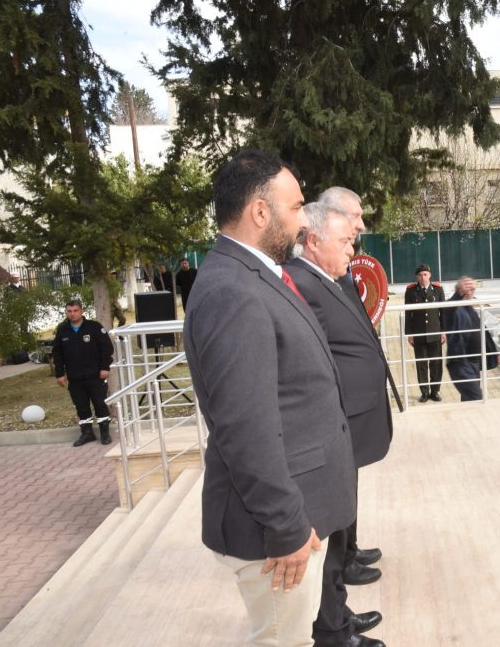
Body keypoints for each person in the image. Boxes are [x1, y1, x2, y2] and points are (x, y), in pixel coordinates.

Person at [183, 149, 357, 647]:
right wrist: (285, 526)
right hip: (275, 532)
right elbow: (244, 427)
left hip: (293, 514)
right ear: (261, 212)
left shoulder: (252, 273)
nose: (305, 221)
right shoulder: (232, 291)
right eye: (297, 206)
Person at [287, 202, 390, 647]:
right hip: (331, 427)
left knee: (336, 534)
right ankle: (332, 632)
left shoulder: (323, 278)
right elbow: (313, 363)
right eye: (345, 239)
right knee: (328, 539)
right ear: (313, 240)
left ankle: (337, 617)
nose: (353, 245)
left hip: (342, 423)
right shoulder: (304, 284)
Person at [312, 187, 392, 587]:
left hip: (355, 406)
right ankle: (342, 562)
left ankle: (351, 550)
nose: (361, 225)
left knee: (350, 483)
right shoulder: (314, 278)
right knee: (341, 487)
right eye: (355, 218)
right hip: (342, 407)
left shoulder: (339, 270)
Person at [52, 300, 114, 447]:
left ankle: (104, 433)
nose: (73, 314)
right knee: (81, 406)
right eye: (69, 311)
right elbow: (57, 353)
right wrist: (59, 374)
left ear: (82, 311)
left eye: (75, 310)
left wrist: (105, 367)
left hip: (95, 376)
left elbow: (106, 348)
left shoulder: (94, 327)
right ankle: (87, 433)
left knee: (100, 404)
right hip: (75, 378)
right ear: (66, 312)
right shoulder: (62, 330)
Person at [443, 277, 498, 402]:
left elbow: (482, 331)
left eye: (472, 289)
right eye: (467, 289)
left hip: (474, 363)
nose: (470, 292)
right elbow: (448, 309)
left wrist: (494, 352)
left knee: (468, 400)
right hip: (461, 364)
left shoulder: (470, 308)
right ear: (460, 291)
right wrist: (458, 294)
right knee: (477, 398)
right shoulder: (453, 308)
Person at [404, 264, 446, 402]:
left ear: (430, 275)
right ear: (417, 277)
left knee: (436, 363)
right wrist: (409, 334)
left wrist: (444, 332)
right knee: (421, 364)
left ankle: (435, 391)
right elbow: (408, 313)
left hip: (435, 333)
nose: (423, 277)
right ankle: (424, 392)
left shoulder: (438, 290)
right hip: (419, 333)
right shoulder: (411, 291)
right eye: (420, 275)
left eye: (425, 274)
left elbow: (443, 313)